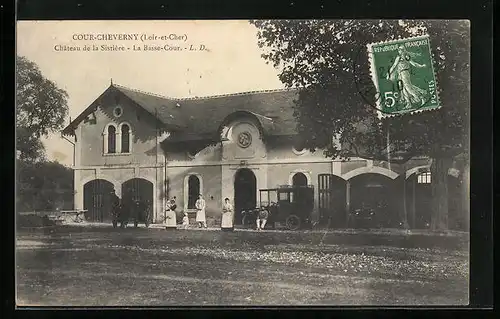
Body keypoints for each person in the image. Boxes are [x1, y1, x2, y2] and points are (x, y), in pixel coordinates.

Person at [386, 45, 428, 109]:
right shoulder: (402, 56)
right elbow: (394, 66)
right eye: (399, 50)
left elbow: (412, 63)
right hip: (400, 74)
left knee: (408, 87)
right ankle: (408, 103)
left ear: (403, 50)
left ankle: (421, 97)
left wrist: (421, 66)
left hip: (404, 73)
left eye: (401, 50)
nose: (400, 51)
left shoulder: (404, 57)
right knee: (403, 89)